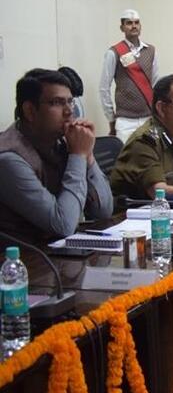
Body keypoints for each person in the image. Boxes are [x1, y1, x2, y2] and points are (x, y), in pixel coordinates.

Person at [0, 69, 113, 275]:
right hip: (20, 270)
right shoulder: (8, 159)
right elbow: (62, 224)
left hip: (57, 258)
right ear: (30, 111)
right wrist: (78, 156)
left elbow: (104, 211)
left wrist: (88, 157)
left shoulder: (62, 142)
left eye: (70, 102)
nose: (70, 111)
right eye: (57, 103)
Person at [100, 8, 159, 143]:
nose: (134, 26)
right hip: (125, 121)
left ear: (140, 26)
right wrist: (111, 118)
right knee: (125, 159)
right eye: (129, 23)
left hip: (148, 118)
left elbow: (156, 84)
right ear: (122, 27)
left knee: (151, 157)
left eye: (136, 23)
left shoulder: (151, 51)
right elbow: (104, 87)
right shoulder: (113, 52)